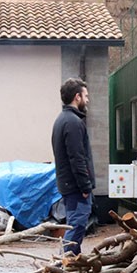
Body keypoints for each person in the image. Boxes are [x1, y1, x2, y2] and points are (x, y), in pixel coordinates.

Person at [51, 78, 95, 256]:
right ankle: (65, 262)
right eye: (86, 96)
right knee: (77, 225)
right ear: (77, 97)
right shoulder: (73, 122)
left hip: (68, 184)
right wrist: (85, 186)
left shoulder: (62, 119)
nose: (88, 100)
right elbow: (77, 158)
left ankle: (73, 263)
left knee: (74, 224)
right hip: (76, 187)